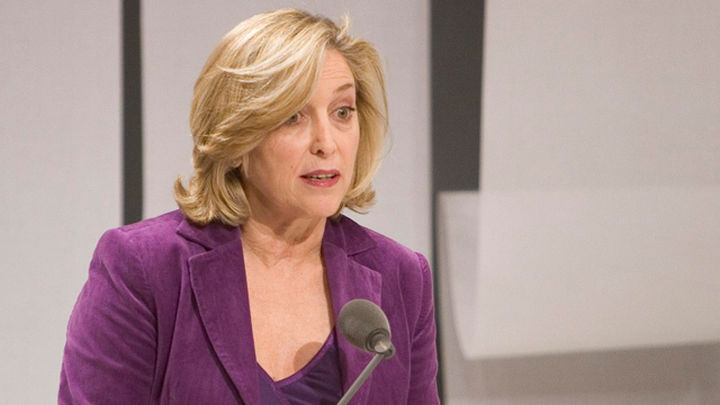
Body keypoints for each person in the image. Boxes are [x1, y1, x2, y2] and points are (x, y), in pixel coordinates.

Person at [59, 8, 439, 404]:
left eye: (342, 112)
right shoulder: (145, 268)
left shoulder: (401, 277)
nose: (327, 143)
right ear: (237, 136)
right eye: (293, 117)